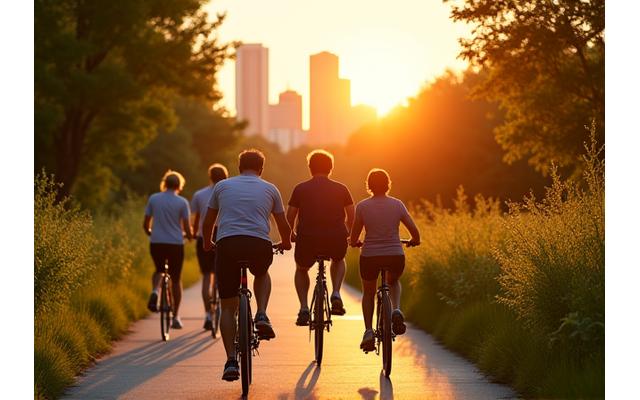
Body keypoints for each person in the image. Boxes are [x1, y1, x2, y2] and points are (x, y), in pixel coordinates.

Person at [202, 149, 292, 381]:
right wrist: (286, 243)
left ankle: (231, 360)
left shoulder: (222, 186)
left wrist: (208, 244)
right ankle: (261, 313)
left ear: (239, 166)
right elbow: (283, 224)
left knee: (228, 306)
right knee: (262, 272)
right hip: (258, 244)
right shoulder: (270, 188)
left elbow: (209, 220)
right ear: (261, 168)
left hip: (228, 244)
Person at [349, 168, 420, 352]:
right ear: (388, 184)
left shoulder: (363, 206)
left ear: (369, 186)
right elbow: (415, 232)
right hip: (395, 256)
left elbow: (354, 235)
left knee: (369, 292)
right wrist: (414, 241)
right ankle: (396, 309)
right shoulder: (397, 205)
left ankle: (368, 331)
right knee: (394, 281)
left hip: (370, 257)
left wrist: (355, 242)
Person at [286, 149, 354, 326]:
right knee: (338, 259)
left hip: (307, 238)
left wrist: (291, 234)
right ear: (331, 168)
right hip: (335, 237)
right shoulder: (341, 188)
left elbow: (290, 216)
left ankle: (303, 308)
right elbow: (352, 216)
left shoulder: (300, 188)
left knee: (301, 269)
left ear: (310, 168)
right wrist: (348, 233)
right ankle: (336, 293)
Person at [143, 170, 193, 329]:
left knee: (158, 269)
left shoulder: (154, 198)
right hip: (175, 244)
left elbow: (146, 223)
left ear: (165, 183)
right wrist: (190, 236)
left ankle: (155, 292)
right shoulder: (182, 202)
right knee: (176, 278)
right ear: (179, 185)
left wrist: (150, 232)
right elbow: (186, 227)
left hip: (157, 242)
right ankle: (176, 317)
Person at [191, 163, 229, 330]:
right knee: (221, 273)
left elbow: (197, 218)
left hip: (203, 235)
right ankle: (221, 305)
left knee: (207, 275)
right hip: (223, 234)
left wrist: (193, 233)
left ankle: (208, 313)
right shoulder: (229, 193)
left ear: (210, 177)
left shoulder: (199, 194)